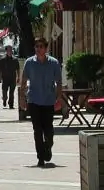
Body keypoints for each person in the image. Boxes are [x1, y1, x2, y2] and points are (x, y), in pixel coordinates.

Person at [21, 37, 62, 167]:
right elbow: (23, 81)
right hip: (34, 101)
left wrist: (58, 99)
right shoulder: (29, 62)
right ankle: (40, 157)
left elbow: (59, 83)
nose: (38, 49)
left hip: (49, 101)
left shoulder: (54, 63)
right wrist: (22, 99)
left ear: (46, 48)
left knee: (49, 131)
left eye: (41, 46)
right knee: (37, 130)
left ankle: (48, 146)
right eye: (36, 46)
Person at [0, 45, 20, 109]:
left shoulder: (15, 59)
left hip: (12, 78)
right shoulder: (3, 59)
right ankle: (4, 99)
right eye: (8, 50)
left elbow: (18, 69)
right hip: (5, 78)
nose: (10, 51)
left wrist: (18, 77)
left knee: (12, 92)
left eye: (11, 50)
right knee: (4, 91)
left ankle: (11, 104)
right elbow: (0, 69)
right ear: (6, 51)